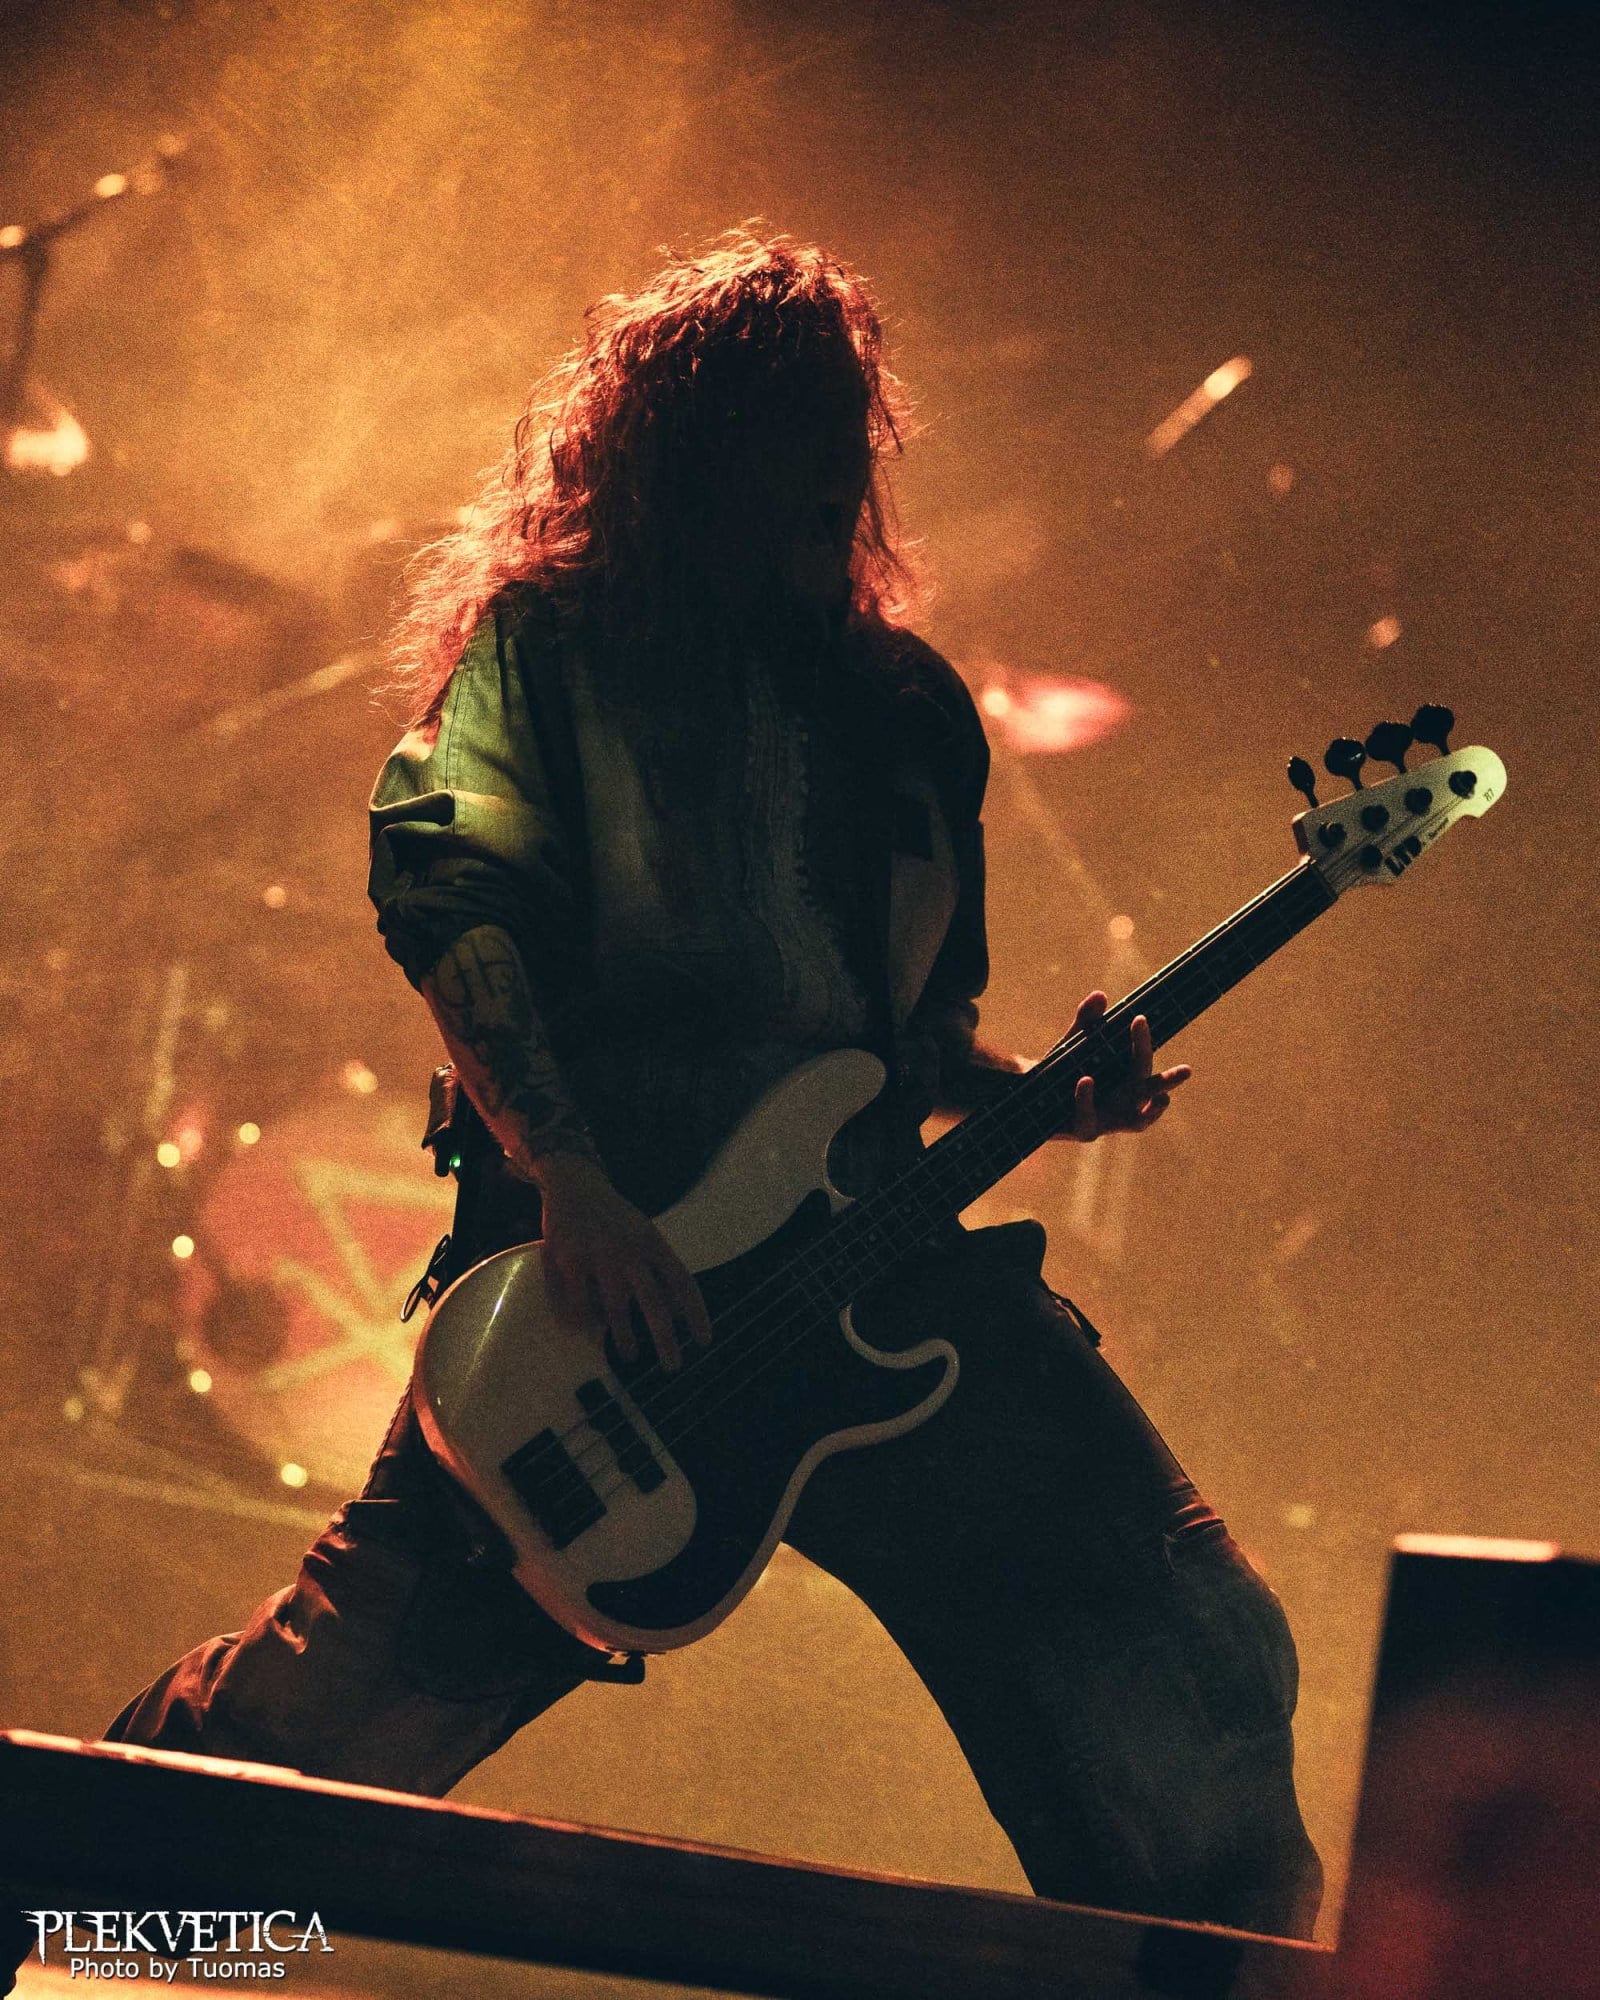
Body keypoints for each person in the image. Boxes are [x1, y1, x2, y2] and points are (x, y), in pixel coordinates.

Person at [103, 230, 1322, 1938]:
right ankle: (68, 1928)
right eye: (784, 439)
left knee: (1191, 1653)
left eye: (845, 443)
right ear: (681, 456)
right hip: (613, 1302)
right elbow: (452, 898)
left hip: (879, 1290)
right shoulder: (555, 653)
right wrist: (573, 1183)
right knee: (307, 1747)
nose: (829, 488)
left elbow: (896, 1050)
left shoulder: (912, 712)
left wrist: (1044, 1091)